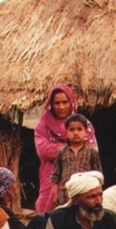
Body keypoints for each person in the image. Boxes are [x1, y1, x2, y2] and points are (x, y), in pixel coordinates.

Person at [34, 84, 98, 213]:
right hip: (51, 174)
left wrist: (59, 149)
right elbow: (43, 150)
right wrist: (73, 148)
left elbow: (92, 149)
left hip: (81, 173)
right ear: (51, 104)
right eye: (57, 103)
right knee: (48, 209)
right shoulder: (43, 125)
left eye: (65, 102)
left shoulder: (83, 123)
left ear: (71, 102)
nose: (61, 107)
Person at [51, 114, 102, 206]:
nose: (75, 133)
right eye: (71, 130)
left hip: (85, 191)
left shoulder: (91, 152)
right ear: (66, 133)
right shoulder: (62, 152)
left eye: (79, 129)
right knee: (66, 217)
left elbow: (97, 173)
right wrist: (55, 192)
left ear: (86, 132)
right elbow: (56, 173)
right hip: (65, 192)